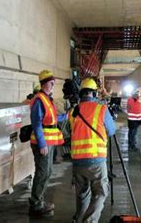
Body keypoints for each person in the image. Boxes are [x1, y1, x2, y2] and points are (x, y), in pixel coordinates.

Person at [69, 78, 116, 223]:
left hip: (77, 161)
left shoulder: (73, 111)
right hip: (96, 159)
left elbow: (72, 131)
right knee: (101, 192)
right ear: (94, 94)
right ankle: (89, 221)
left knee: (82, 193)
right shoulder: (102, 109)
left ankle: (78, 218)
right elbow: (111, 130)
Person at [28, 70, 65, 217]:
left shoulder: (47, 99)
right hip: (41, 143)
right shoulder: (39, 100)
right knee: (42, 172)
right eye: (50, 83)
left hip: (48, 142)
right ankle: (36, 205)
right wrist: (42, 144)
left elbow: (53, 119)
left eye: (53, 83)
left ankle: (39, 202)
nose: (52, 86)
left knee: (47, 172)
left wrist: (68, 115)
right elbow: (36, 123)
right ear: (43, 84)